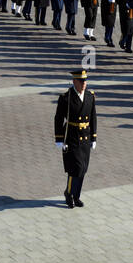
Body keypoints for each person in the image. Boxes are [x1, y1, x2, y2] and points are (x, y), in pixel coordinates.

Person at [54, 69, 97, 210]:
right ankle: (69, 193)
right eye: (81, 81)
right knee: (75, 169)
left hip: (85, 136)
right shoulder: (66, 98)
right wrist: (59, 139)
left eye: (85, 81)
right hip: (72, 137)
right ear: (74, 82)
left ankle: (76, 195)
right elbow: (58, 118)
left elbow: (93, 117)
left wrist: (94, 137)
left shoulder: (90, 96)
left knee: (83, 169)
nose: (84, 83)